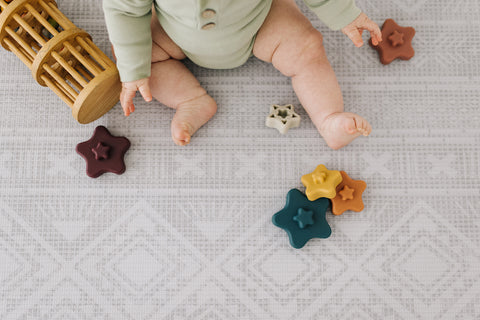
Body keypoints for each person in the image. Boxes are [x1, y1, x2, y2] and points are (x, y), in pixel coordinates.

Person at [103, 0, 382, 149]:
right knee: (130, 56)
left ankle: (328, 117)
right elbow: (123, 10)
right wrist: (133, 69)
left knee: (306, 45)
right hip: (175, 33)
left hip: (260, 22)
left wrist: (345, 12)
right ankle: (189, 100)